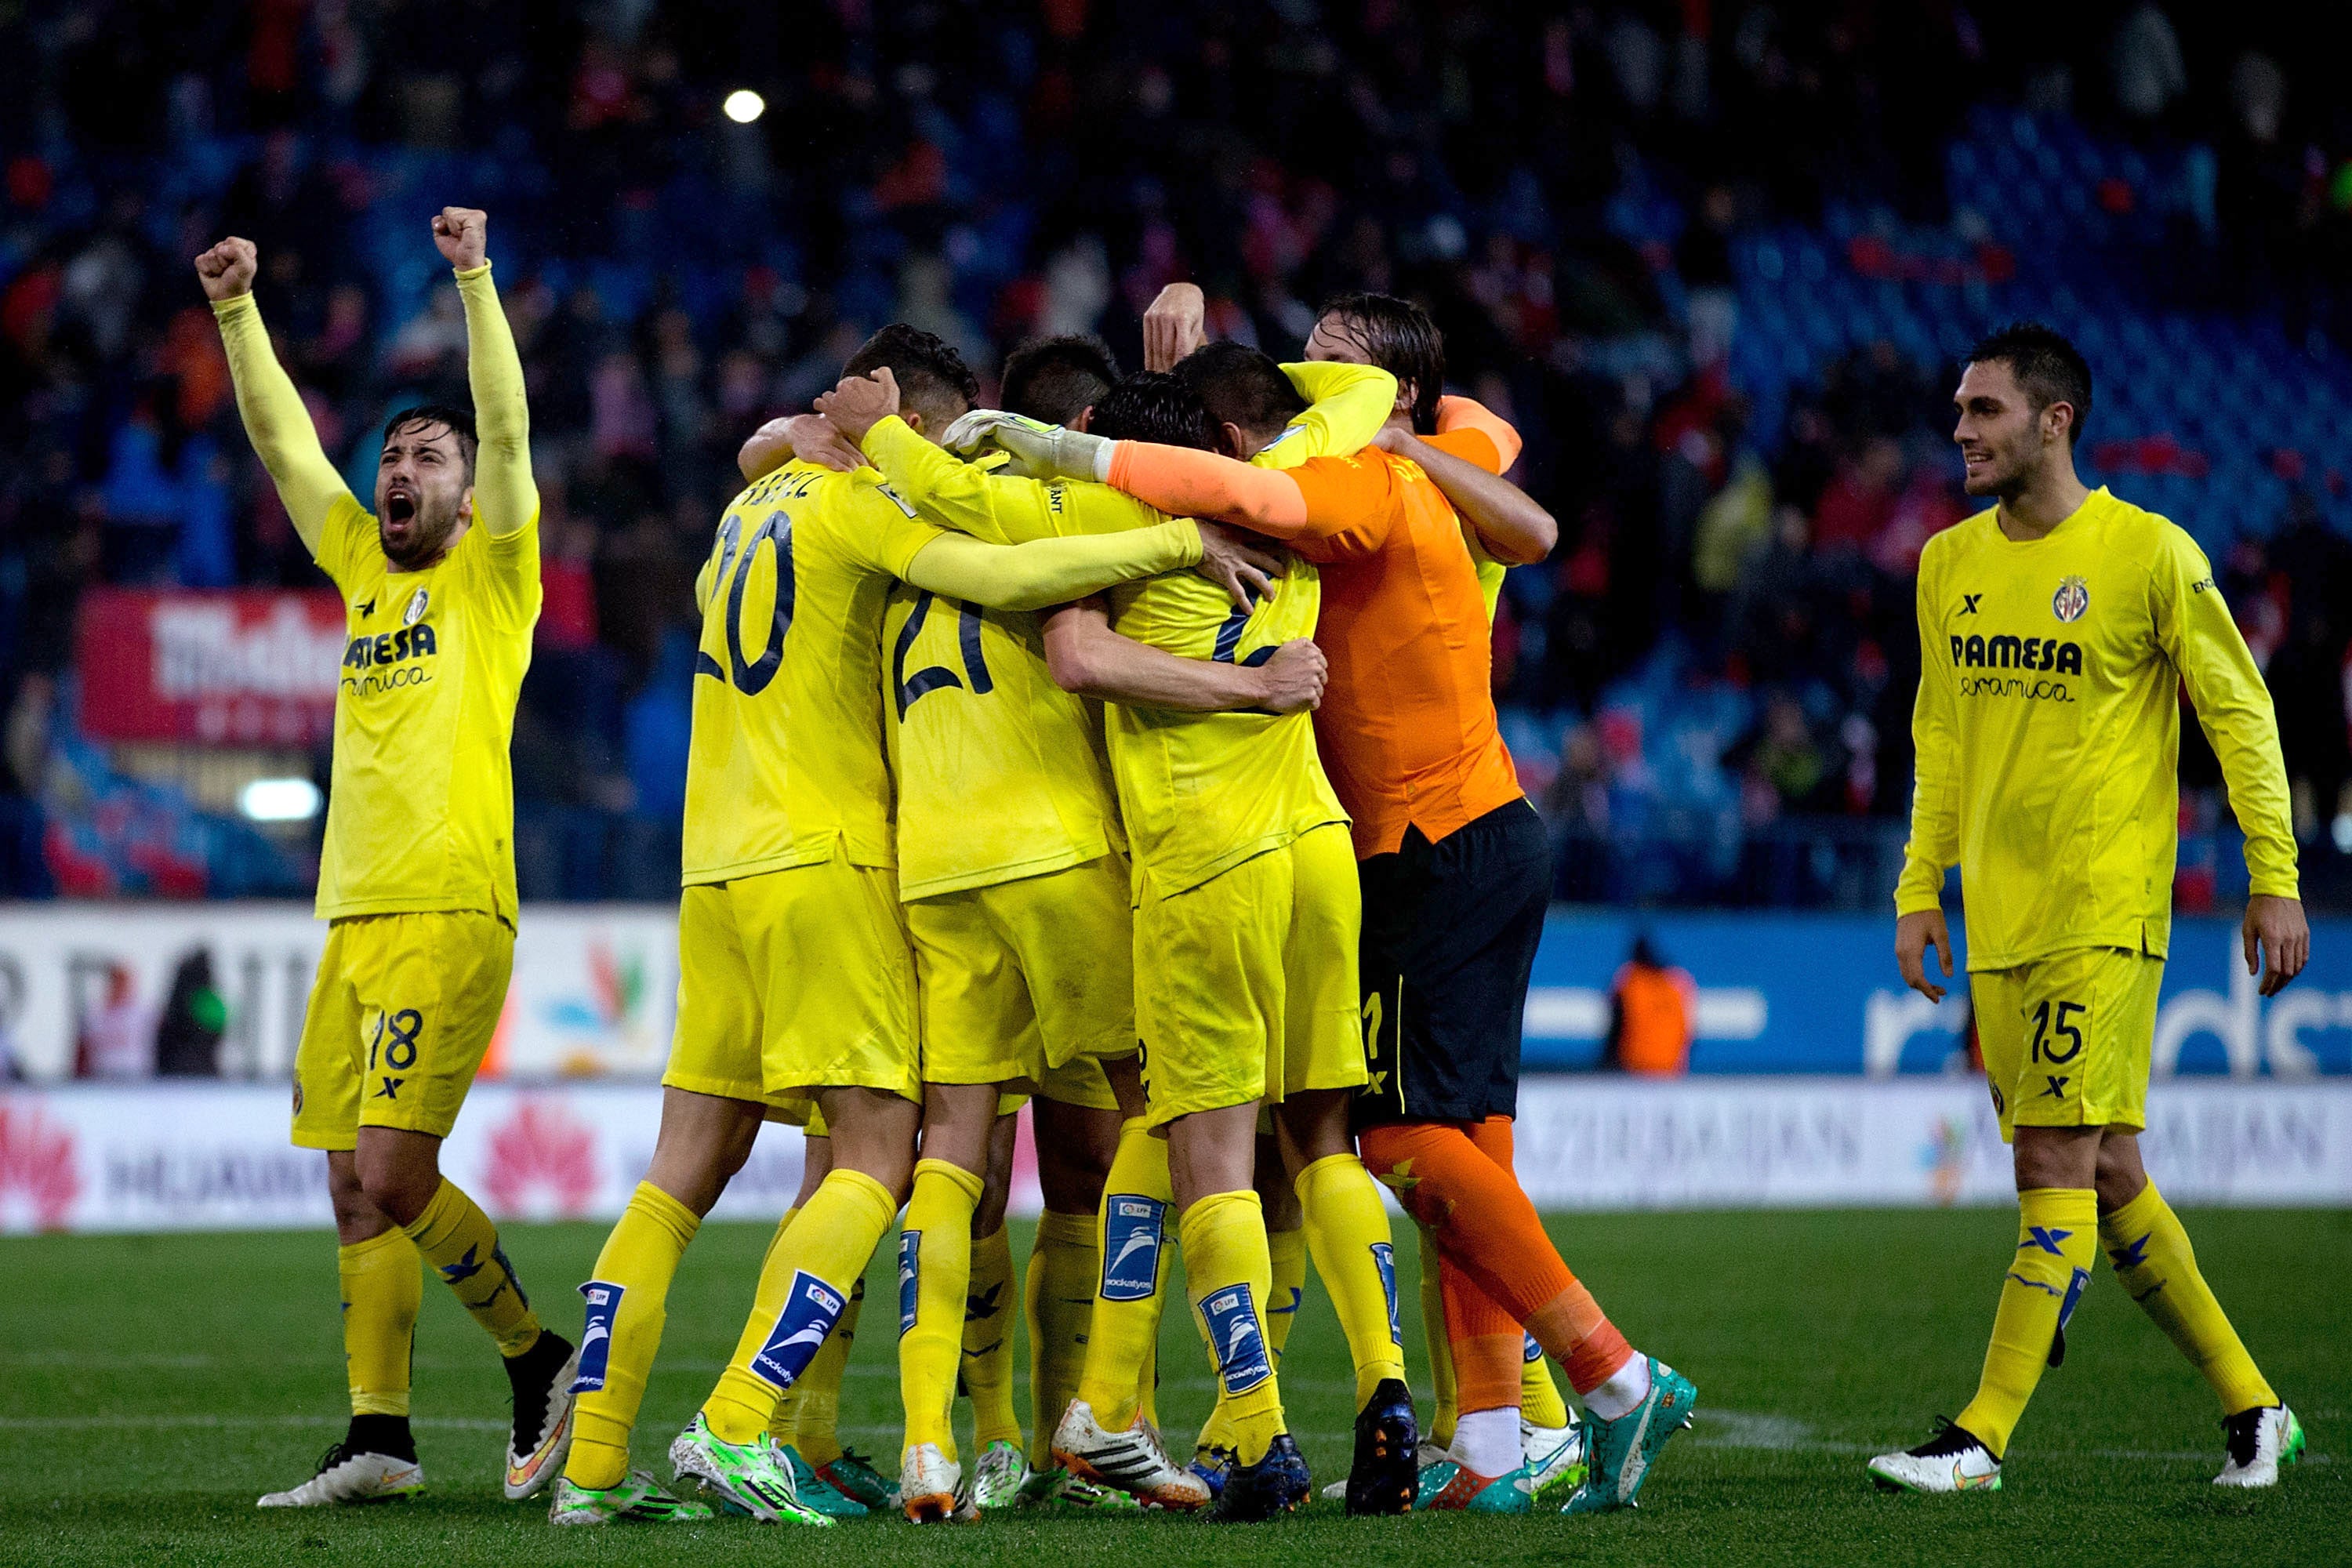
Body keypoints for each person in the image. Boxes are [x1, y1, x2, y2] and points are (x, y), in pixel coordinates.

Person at [1014, 308, 1700, 1517]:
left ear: (1383, 389)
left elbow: (1265, 500)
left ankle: (1609, 1373)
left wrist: (1087, 453)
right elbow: (1515, 505)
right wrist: (1187, 398)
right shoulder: (1437, 463)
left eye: (1330, 346)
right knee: (1462, 1142)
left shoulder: (1367, 482)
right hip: (1458, 833)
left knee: (1391, 1140)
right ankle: (1494, 1440)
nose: (1303, 354)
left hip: (1418, 846)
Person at [546, 325, 1224, 1526]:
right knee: (881, 1151)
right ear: (904, 420)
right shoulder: (863, 507)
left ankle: (594, 1471)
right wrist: (1180, 537)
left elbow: (769, 447)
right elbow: (1013, 581)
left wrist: (802, 432)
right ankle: (744, 1424)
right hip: (836, 854)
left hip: (715, 869)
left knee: (677, 1181)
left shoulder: (747, 508)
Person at [857, 359, 1415, 1519]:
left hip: (1195, 862)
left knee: (1189, 1146)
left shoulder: (1112, 513)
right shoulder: (1294, 481)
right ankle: (1380, 1390)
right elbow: (1360, 387)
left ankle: (1247, 1430)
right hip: (1317, 845)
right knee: (1320, 1143)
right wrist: (1204, 362)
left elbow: (1058, 623)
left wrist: (897, 439)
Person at [1871, 321, 2310, 1494]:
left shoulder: (2149, 555)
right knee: (2106, 1167)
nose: (1960, 430)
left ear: (2054, 419)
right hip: (2001, 919)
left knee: (2053, 1162)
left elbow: (2241, 715)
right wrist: (1923, 888)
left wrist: (2275, 874)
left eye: (1985, 411)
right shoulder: (1948, 565)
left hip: (2106, 907)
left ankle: (1980, 1439)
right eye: (1959, 411)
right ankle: (2258, 1412)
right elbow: (1940, 739)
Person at [200, 211, 581, 1508]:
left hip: (450, 907)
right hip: (352, 919)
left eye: (428, 455)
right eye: (393, 454)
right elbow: (280, 444)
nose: (400, 468)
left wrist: (475, 279)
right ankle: (381, 1435)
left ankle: (541, 1360)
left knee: (395, 1172)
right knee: (350, 1193)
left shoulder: (497, 576)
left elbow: (511, 423)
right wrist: (238, 312)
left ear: (471, 493)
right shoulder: (363, 559)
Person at [1602, 935, 1695, 1076]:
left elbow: (1616, 1027)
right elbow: (1689, 1030)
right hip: (1671, 1067)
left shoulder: (1629, 979)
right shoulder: (1679, 980)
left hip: (1635, 1065)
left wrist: (1607, 1063)